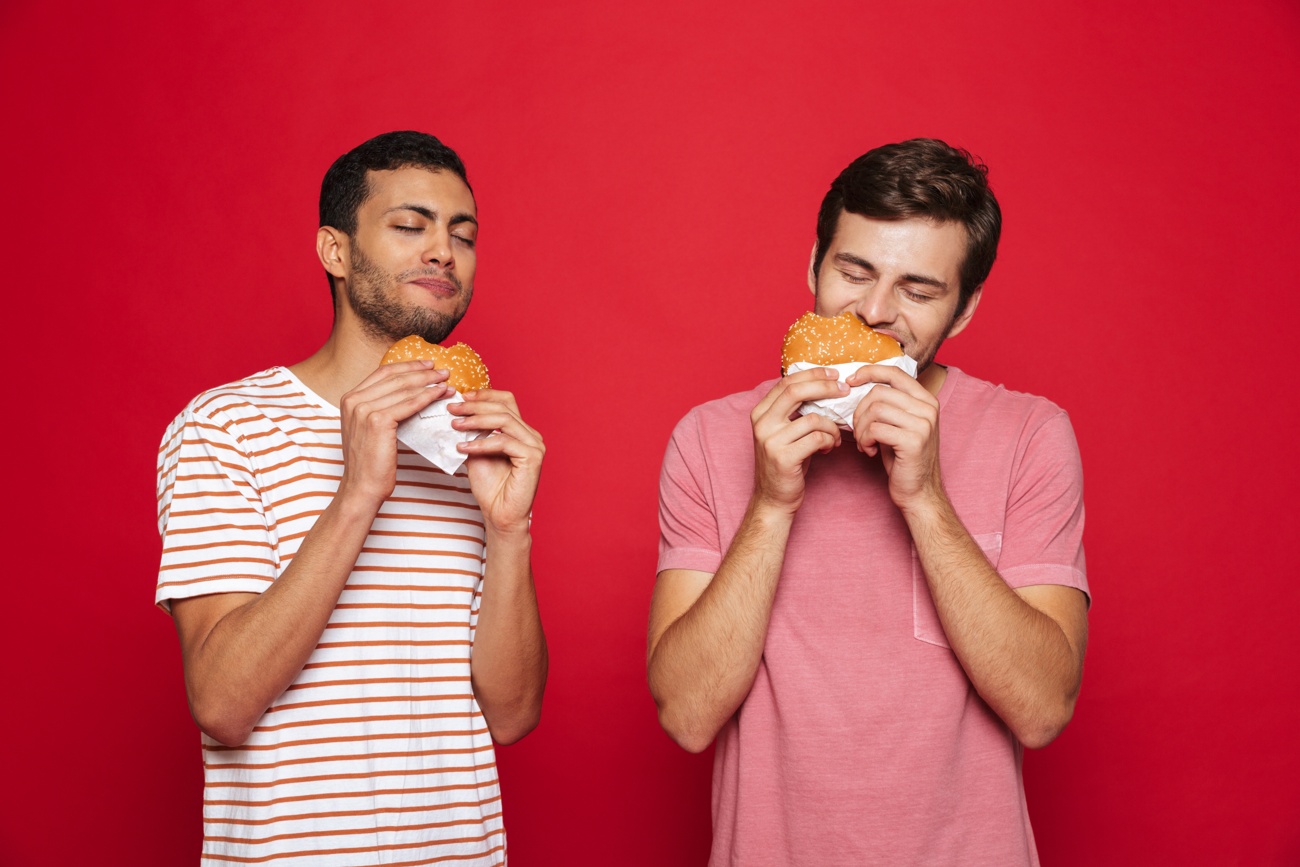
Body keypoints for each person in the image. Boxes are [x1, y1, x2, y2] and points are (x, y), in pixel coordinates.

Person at [648, 138, 1088, 865]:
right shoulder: (709, 436)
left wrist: (926, 500)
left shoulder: (1031, 434)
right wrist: (769, 506)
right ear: (813, 263)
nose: (875, 311)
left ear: (966, 308)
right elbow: (688, 718)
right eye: (853, 272)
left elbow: (1042, 710)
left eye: (918, 290)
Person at [155, 131, 546, 866]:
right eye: (410, 225)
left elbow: (513, 714)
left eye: (462, 235)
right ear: (334, 252)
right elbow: (223, 703)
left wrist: (510, 528)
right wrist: (359, 489)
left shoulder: (475, 443)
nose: (443, 252)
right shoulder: (225, 427)